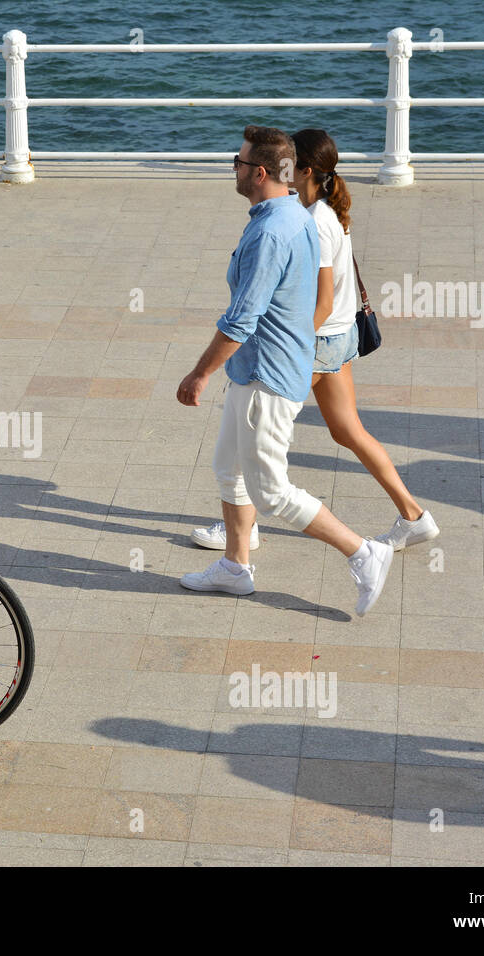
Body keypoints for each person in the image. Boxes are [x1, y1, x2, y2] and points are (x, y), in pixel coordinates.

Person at [176, 125, 393, 616]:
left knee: (271, 492)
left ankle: (364, 553)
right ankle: (235, 568)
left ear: (257, 172)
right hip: (261, 369)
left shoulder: (272, 231)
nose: (232, 165)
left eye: (237, 159)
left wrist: (198, 374)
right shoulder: (291, 213)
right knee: (229, 469)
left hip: (266, 379)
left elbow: (240, 319)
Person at [190, 129, 439, 554]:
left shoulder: (314, 220)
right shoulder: (320, 211)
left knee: (260, 436)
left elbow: (320, 299)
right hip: (337, 337)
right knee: (347, 432)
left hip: (319, 340)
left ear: (300, 170)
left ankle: (251, 533)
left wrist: (292, 344)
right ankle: (413, 515)